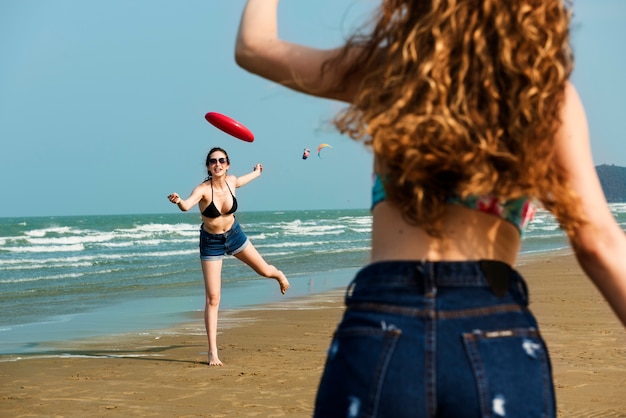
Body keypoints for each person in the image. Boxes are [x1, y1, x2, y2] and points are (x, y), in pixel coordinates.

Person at [235, 0, 626, 416]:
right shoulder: (543, 94)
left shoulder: (392, 70)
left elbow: (254, 47)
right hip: (494, 328)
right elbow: (598, 243)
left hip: (380, 325)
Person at [168, 147, 290, 366]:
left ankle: (278, 275)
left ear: (227, 164)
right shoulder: (203, 189)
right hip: (211, 242)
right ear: (208, 166)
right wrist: (178, 200)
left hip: (235, 235)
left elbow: (244, 180)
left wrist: (257, 172)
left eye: (221, 160)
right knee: (213, 298)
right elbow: (187, 206)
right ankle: (212, 352)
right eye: (213, 161)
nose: (218, 164)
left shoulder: (231, 181)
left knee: (264, 270)